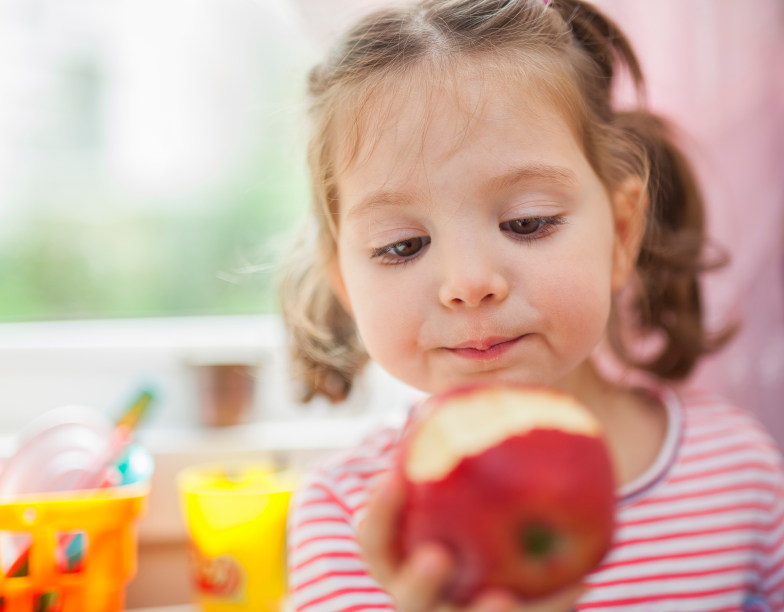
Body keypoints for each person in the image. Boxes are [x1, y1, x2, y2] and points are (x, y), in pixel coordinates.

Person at [279, 0, 784, 610]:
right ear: (345, 285)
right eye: (402, 245)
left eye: (527, 222)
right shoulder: (349, 517)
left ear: (622, 235)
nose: (468, 282)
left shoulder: (738, 475)